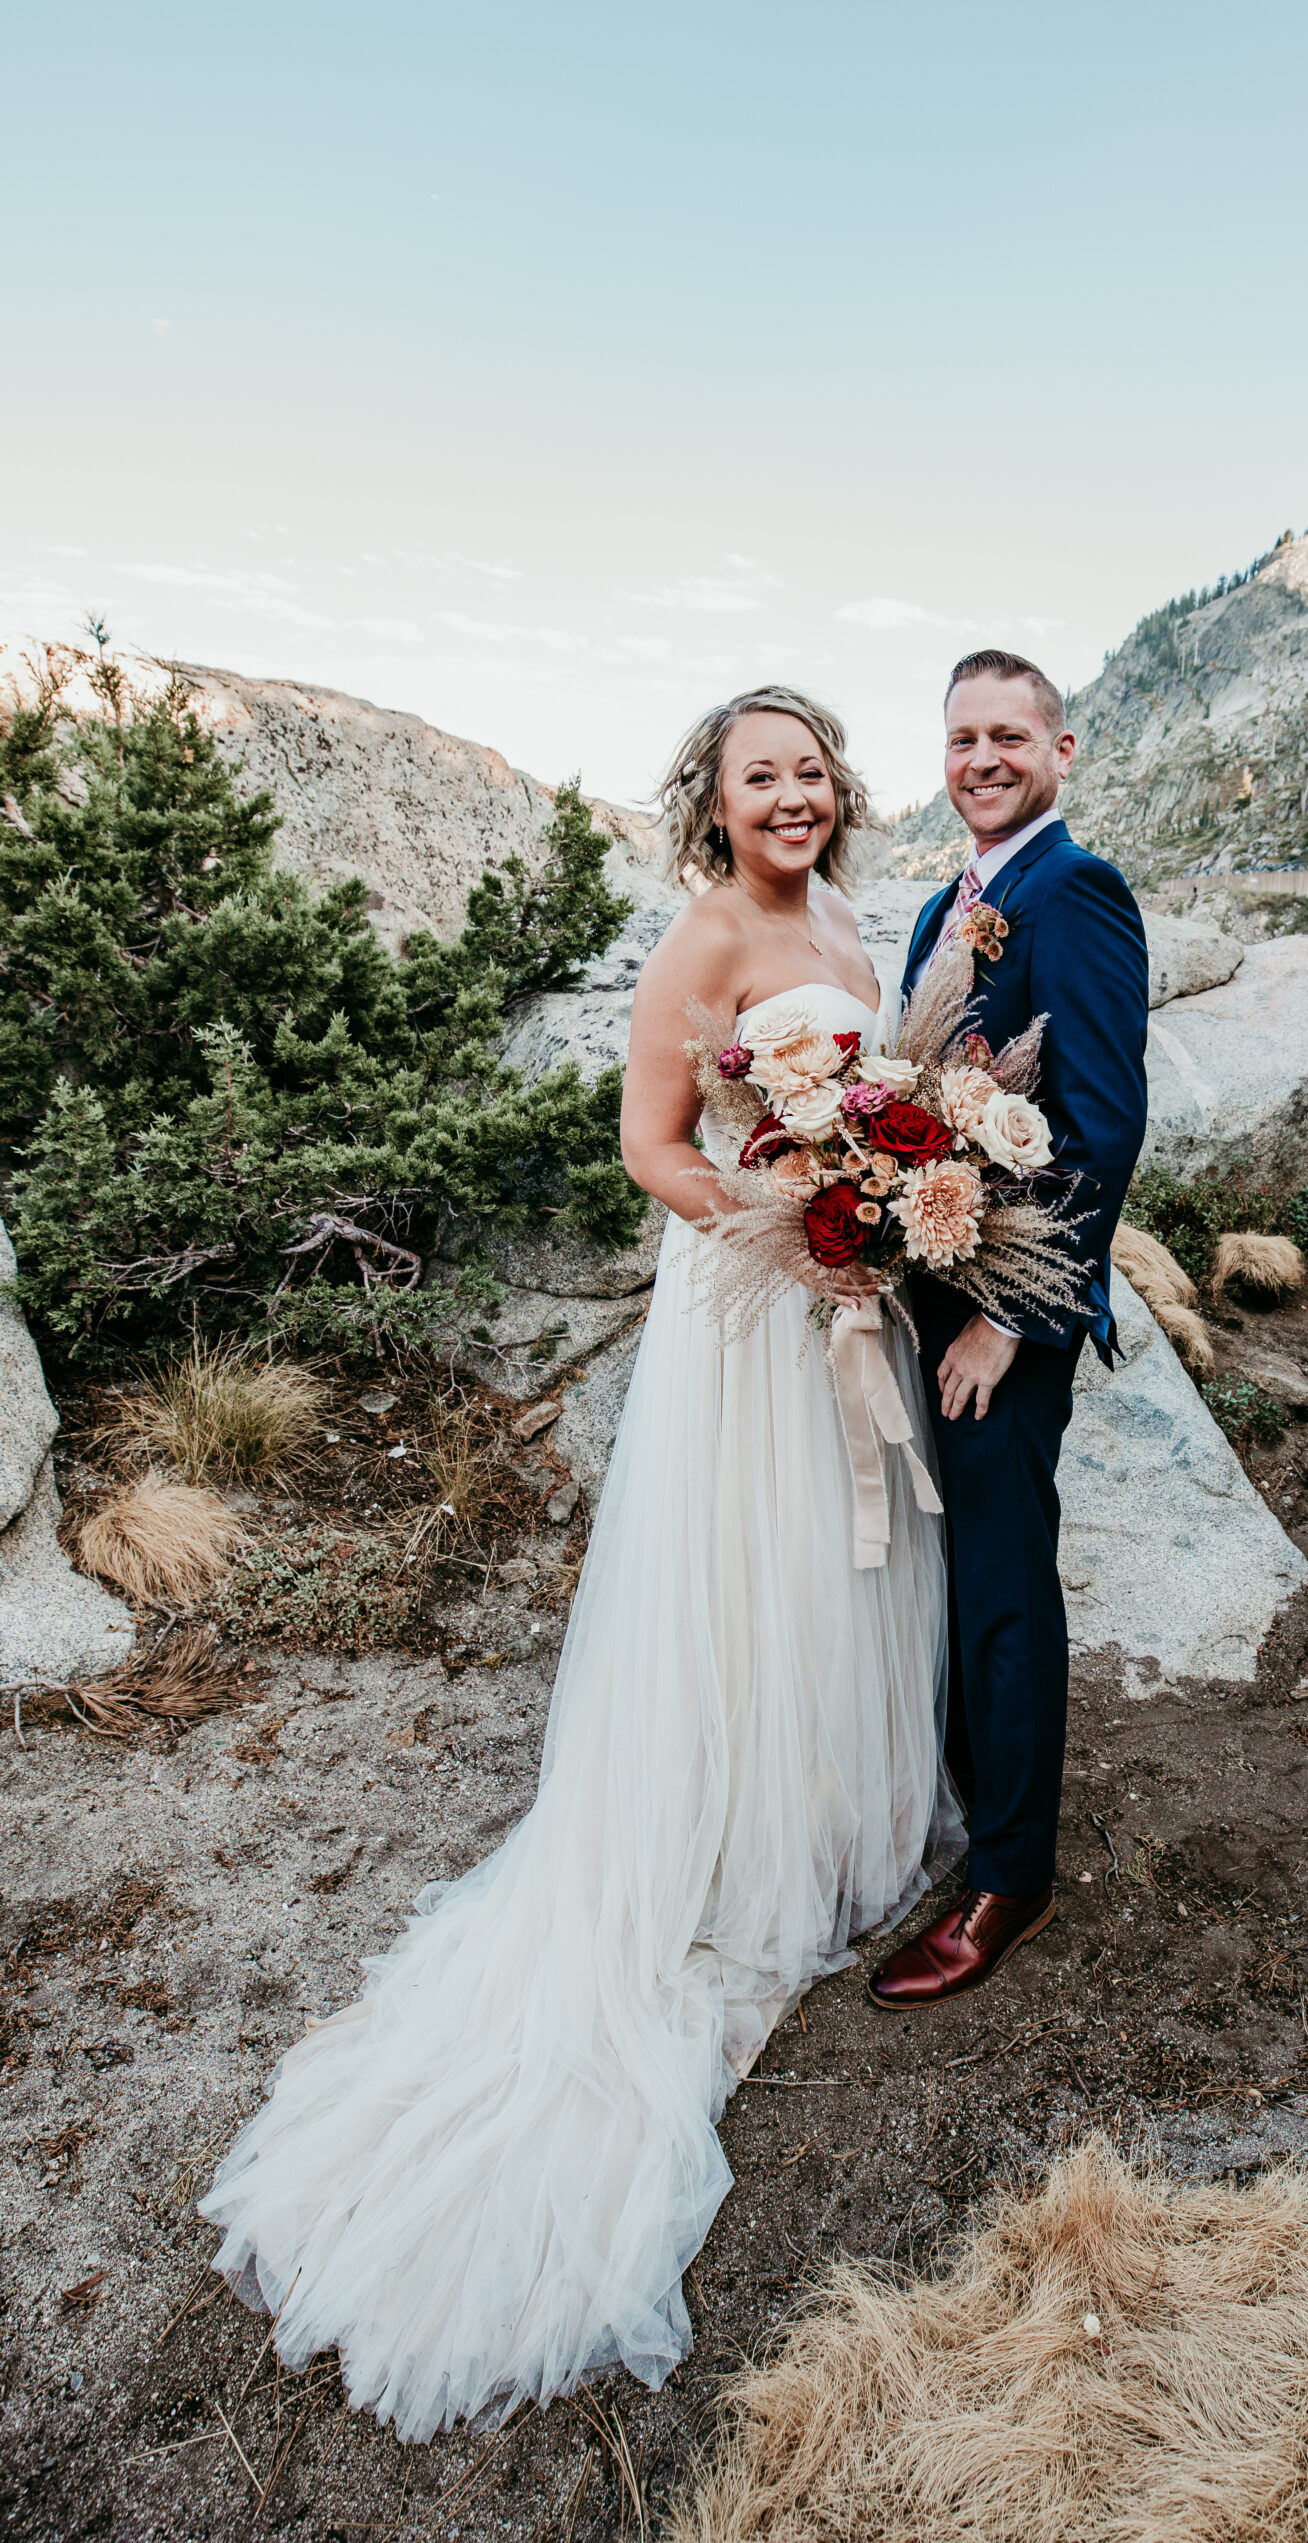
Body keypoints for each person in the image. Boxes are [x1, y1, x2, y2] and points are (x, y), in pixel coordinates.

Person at [200, 686, 957, 2441]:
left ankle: (835, 1808)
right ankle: (723, 1830)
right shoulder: (705, 934)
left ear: (839, 790)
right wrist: (796, 1224)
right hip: (749, 1308)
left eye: (811, 767)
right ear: (713, 801)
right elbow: (653, 1148)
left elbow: (888, 1088)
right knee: (750, 1572)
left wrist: (888, 1199)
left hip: (845, 1296)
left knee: (848, 1577)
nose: (791, 792)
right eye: (758, 773)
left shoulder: (851, 917)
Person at [868, 649, 1149, 2012]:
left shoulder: (1074, 892)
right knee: (945, 1570)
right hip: (925, 1292)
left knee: (1002, 1577)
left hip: (1002, 1314)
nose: (982, 758)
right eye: (962, 738)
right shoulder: (948, 900)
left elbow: (1099, 1126)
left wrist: (1012, 1324)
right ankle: (976, 1802)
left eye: (1009, 737)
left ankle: (1012, 1874)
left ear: (1061, 750)